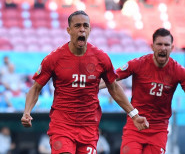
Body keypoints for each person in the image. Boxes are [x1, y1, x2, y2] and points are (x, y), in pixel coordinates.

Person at [21, 10, 149, 154]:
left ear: (89, 30)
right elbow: (36, 88)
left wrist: (134, 115)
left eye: (85, 26)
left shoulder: (101, 58)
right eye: (77, 26)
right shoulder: (54, 58)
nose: (82, 29)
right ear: (68, 30)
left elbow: (113, 87)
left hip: (89, 126)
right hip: (62, 125)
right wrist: (27, 112)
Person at [100, 28, 185, 154]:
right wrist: (90, 86)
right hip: (135, 124)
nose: (163, 48)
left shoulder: (179, 71)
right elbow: (110, 78)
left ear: (172, 48)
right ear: (152, 46)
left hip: (158, 130)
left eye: (166, 45)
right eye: (159, 44)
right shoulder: (138, 64)